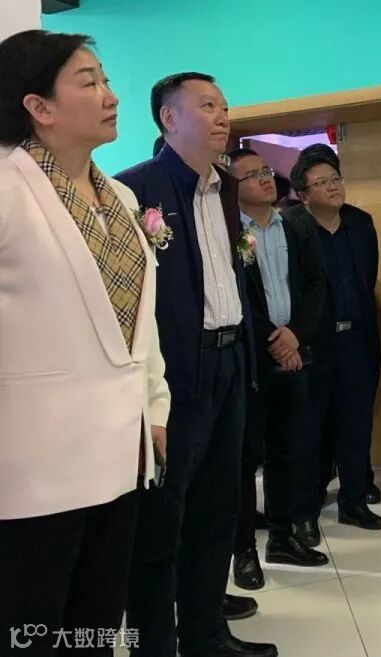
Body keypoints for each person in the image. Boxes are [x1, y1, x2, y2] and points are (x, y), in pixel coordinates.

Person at [0, 29, 170, 657]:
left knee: (96, 622)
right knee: (30, 627)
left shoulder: (120, 197)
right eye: (88, 82)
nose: (111, 95)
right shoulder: (6, 189)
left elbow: (141, 325)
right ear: (38, 107)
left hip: (119, 453)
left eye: (106, 79)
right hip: (31, 464)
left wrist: (155, 405)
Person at [115, 73, 275, 657]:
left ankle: (206, 635)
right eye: (207, 105)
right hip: (176, 373)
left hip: (230, 362)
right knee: (163, 520)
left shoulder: (226, 187)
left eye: (225, 106)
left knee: (217, 508)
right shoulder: (133, 191)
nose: (222, 116)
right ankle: (155, 643)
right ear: (169, 118)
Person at [228, 148, 329, 590]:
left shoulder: (296, 224)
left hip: (295, 352)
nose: (265, 178)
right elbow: (237, 295)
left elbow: (315, 284)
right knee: (246, 458)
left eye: (266, 171)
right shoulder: (229, 231)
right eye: (251, 175)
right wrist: (275, 339)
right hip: (253, 358)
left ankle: (282, 537)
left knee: (289, 449)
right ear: (233, 188)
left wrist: (295, 336)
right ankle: (244, 551)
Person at [287, 149, 381, 547]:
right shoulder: (290, 227)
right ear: (302, 194)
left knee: (356, 425)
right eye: (322, 183)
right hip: (313, 344)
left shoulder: (361, 223)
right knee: (308, 431)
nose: (333, 187)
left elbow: (368, 279)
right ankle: (304, 512)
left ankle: (354, 502)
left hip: (357, 340)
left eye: (336, 179)